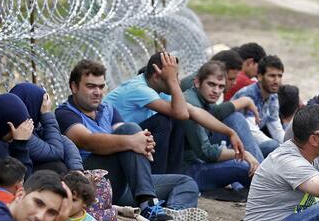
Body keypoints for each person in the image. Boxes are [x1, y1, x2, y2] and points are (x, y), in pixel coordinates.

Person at [54, 59, 205, 221]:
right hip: (93, 184)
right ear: (74, 87)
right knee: (131, 129)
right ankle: (149, 205)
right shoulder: (64, 113)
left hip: (124, 184)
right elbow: (87, 141)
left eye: (101, 87)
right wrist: (133, 141)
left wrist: (144, 142)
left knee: (186, 182)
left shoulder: (107, 109)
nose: (97, 92)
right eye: (91, 86)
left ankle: (171, 212)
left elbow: (123, 132)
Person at [104, 52, 244, 174]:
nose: (178, 82)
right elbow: (182, 113)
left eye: (176, 76)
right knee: (164, 120)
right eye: (173, 77)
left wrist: (230, 132)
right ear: (156, 77)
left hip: (133, 140)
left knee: (175, 116)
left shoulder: (159, 90)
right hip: (112, 144)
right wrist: (172, 81)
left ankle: (172, 175)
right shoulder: (138, 89)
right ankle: (157, 177)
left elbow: (193, 111)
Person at [181, 61, 260, 190]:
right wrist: (244, 154)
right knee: (244, 166)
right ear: (197, 82)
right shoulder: (191, 103)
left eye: (221, 86)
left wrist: (246, 101)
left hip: (199, 160)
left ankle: (259, 172)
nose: (216, 91)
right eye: (211, 84)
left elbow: (216, 112)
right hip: (188, 171)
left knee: (236, 118)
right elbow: (206, 153)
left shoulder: (201, 97)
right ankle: (263, 177)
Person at [9, 82, 84, 174]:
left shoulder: (34, 124)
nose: (43, 109)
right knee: (58, 167)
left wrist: (76, 170)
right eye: (41, 105)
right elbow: (55, 151)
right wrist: (47, 115)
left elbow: (65, 143)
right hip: (24, 178)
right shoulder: (18, 129)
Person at [233, 54, 286, 156]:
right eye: (272, 76)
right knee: (273, 146)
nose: (277, 81)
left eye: (279, 76)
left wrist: (290, 147)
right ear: (260, 76)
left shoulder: (273, 96)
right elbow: (252, 131)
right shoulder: (248, 94)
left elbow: (275, 127)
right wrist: (281, 149)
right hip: (235, 144)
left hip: (251, 142)